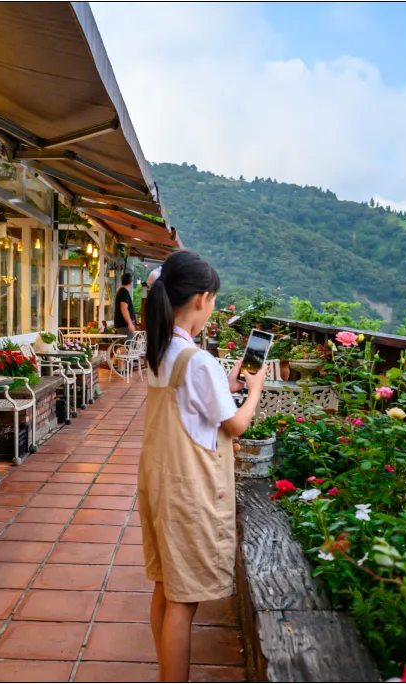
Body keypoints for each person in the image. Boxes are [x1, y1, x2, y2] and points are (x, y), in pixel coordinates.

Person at [139, 250, 267, 682]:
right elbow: (236, 423)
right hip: (187, 490)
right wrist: (253, 390)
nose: (212, 308)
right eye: (213, 300)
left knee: (165, 586)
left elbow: (193, 401)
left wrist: (226, 381)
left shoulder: (161, 350)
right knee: (184, 601)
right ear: (201, 299)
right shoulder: (198, 361)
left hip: (158, 482)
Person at [115, 272, 136, 339]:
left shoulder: (121, 292)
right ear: (130, 282)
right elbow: (124, 308)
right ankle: (115, 350)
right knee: (128, 346)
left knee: (125, 346)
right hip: (125, 325)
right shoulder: (124, 293)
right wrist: (130, 323)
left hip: (123, 325)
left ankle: (116, 349)